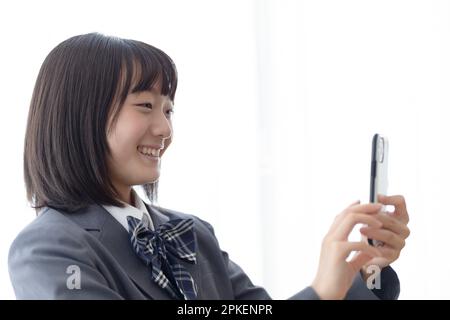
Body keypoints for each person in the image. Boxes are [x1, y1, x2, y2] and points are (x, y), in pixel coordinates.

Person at [8, 32, 410, 300]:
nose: (164, 128)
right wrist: (321, 292)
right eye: (145, 106)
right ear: (82, 115)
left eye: (168, 109)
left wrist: (357, 273)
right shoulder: (48, 247)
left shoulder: (192, 234)